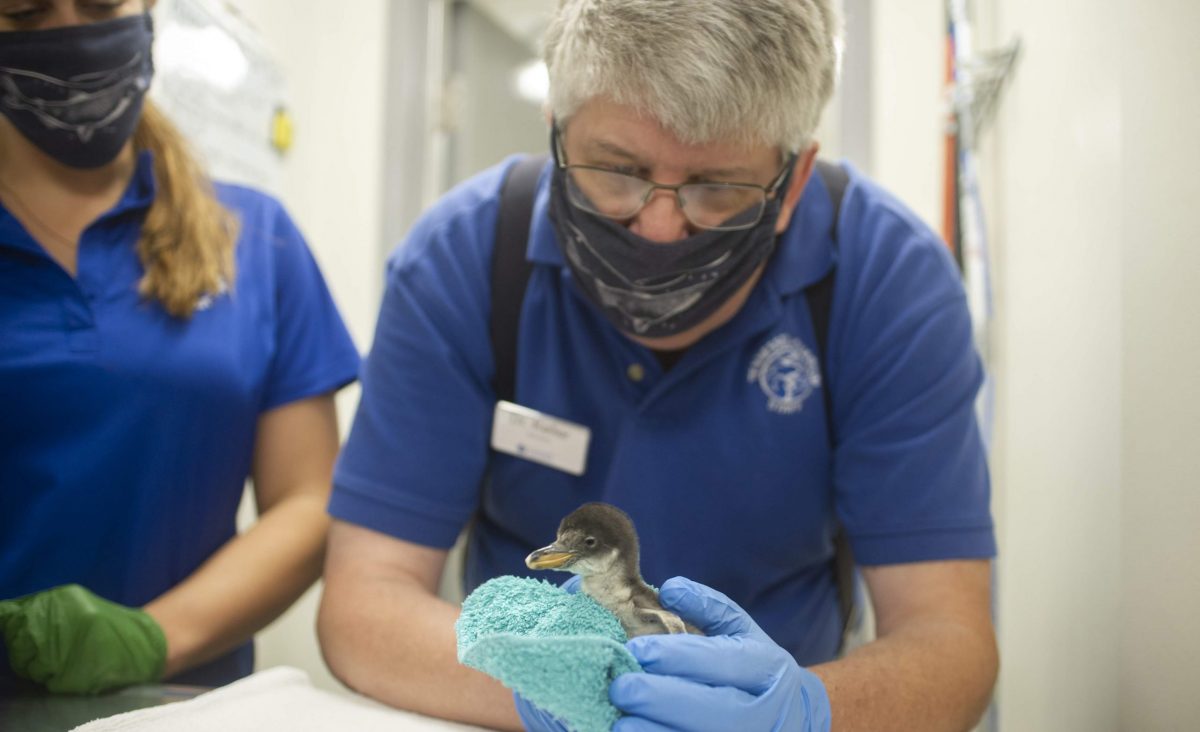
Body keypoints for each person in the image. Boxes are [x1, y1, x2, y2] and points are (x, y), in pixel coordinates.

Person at [320, 1, 997, 730]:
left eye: (717, 186)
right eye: (617, 170)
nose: (659, 225)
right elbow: (365, 601)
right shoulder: (464, 261)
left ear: (794, 178)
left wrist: (803, 713)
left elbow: (949, 642)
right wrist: (557, 691)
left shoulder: (888, 282)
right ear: (555, 128)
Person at [0, 0, 360, 694]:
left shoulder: (255, 238)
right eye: (24, 11)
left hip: (187, 703)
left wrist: (149, 640)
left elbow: (310, 500)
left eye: (102, 4)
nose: (72, 33)